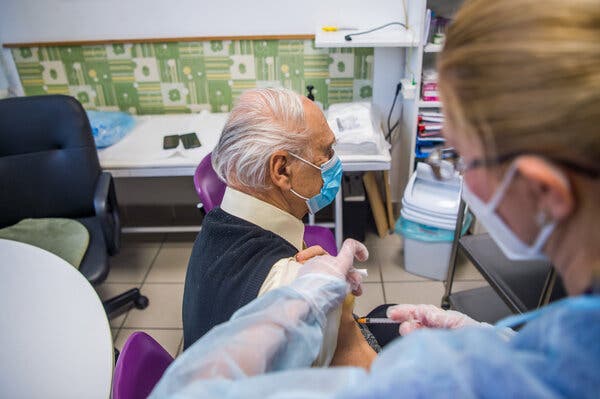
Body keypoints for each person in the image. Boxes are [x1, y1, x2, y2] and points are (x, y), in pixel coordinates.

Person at [153, 0, 599, 396]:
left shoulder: (215, 230)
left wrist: (336, 326)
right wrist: (492, 339)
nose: (459, 174)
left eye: (462, 158)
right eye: (455, 158)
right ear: (282, 170)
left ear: (546, 191)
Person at [182, 87, 377, 367]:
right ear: (282, 170)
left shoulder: (216, 225)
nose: (334, 163)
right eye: (327, 151)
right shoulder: (301, 297)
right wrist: (343, 320)